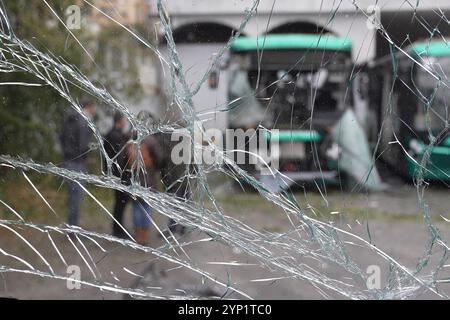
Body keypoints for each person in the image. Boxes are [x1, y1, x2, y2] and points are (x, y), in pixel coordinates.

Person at [60, 98, 97, 227]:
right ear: (90, 106)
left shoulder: (69, 118)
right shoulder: (83, 121)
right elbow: (82, 146)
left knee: (72, 197)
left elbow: (62, 138)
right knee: (76, 197)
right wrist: (89, 150)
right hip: (77, 162)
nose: (95, 110)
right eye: (95, 106)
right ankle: (73, 230)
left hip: (67, 161)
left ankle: (72, 226)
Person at [127, 111, 162, 245]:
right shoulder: (150, 140)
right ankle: (144, 236)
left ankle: (138, 234)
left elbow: (122, 159)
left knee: (136, 206)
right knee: (146, 206)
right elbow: (159, 158)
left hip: (134, 178)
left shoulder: (130, 138)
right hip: (148, 178)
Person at [103, 112, 131, 239]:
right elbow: (119, 158)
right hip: (119, 176)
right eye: (124, 120)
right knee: (120, 202)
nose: (125, 122)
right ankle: (118, 230)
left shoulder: (111, 134)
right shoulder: (116, 136)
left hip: (114, 174)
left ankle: (118, 227)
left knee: (120, 202)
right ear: (120, 121)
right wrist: (123, 175)